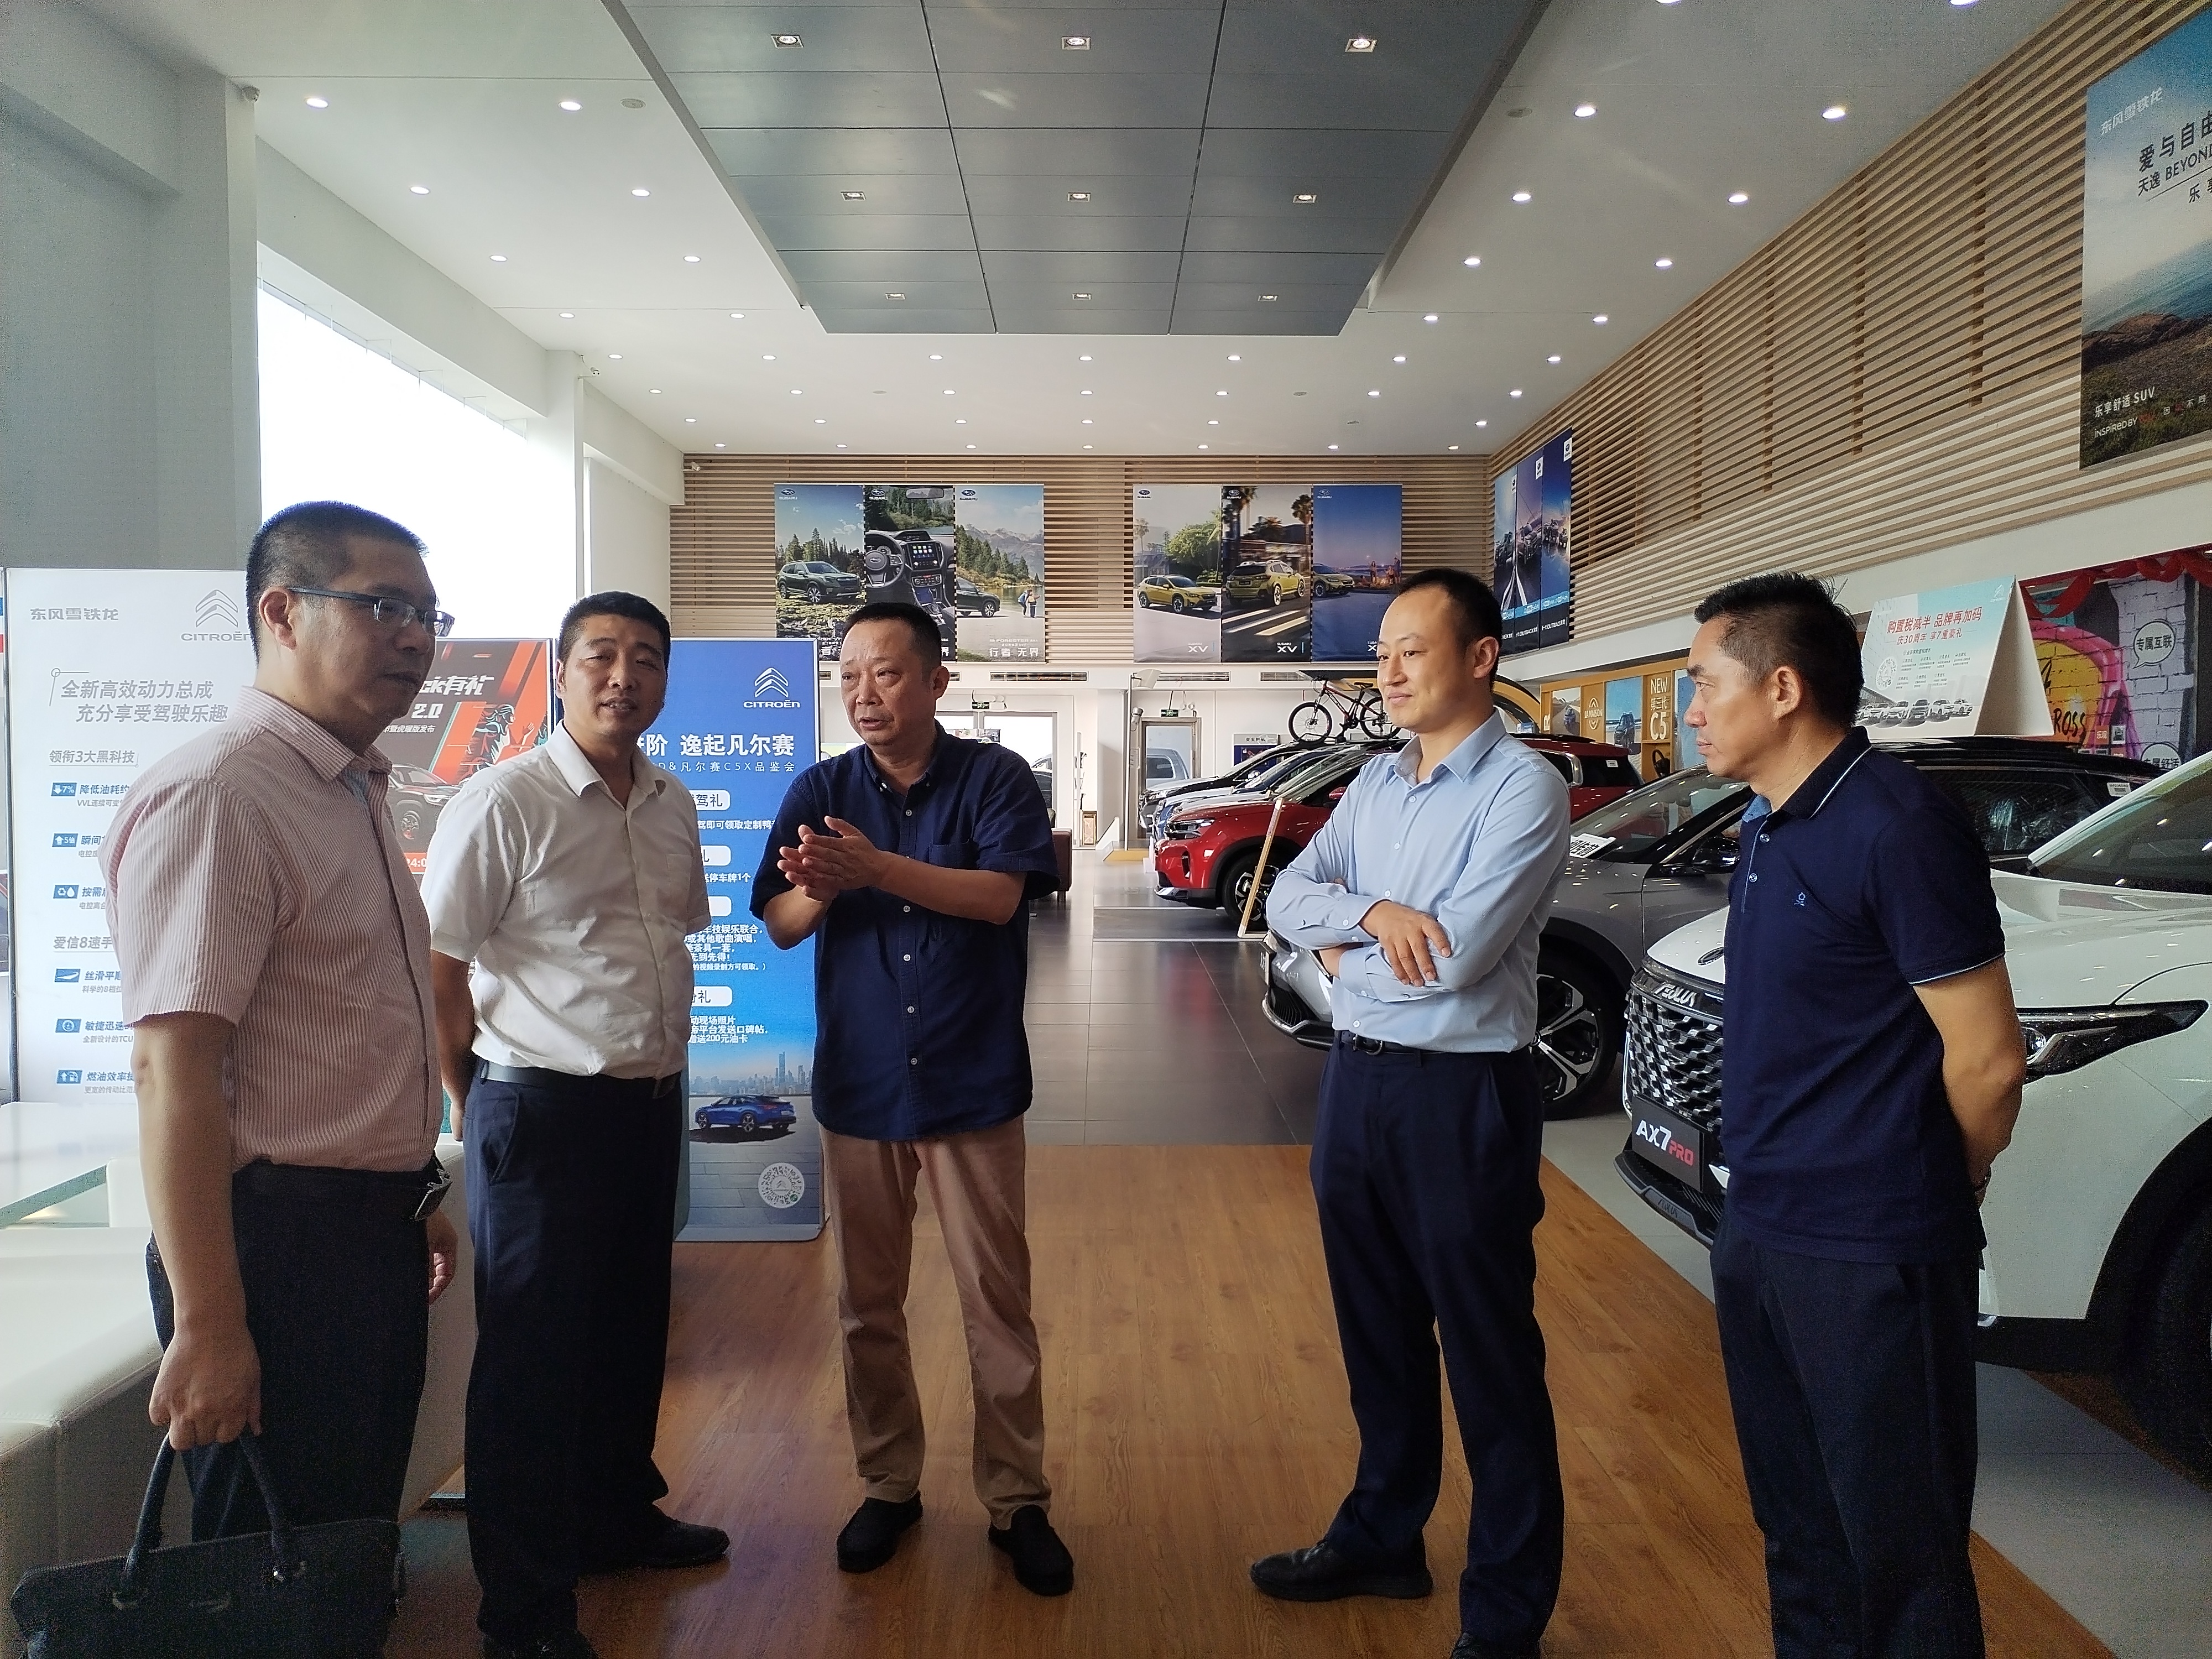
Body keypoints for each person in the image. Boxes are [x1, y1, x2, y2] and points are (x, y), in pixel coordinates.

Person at [1682, 573, 2023, 1657]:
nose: (1690, 710)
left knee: (1899, 1549)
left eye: (1704, 683)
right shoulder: (1766, 824)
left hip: (1872, 1246)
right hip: (1761, 1226)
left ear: (1781, 688)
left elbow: (1988, 1060)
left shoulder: (1897, 824)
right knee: (1799, 1528)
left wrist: (1941, 1177)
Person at [106, 500, 460, 1542]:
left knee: (347, 1545)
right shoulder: (222, 794)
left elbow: (342, 1028)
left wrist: (409, 1190)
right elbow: (172, 1073)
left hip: (361, 1233)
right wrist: (211, 1324)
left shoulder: (350, 789)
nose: (415, 639)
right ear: (281, 612)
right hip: (275, 1253)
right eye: (384, 607)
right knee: (270, 1570)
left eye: (429, 616)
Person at [1256, 568, 1569, 1659]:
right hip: (1356, 1086)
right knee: (1377, 1335)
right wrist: (1374, 916)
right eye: (1381, 653)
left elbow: (1456, 959)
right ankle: (1382, 1539)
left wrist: (1335, 958)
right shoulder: (1376, 785)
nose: (1387, 672)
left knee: (1488, 1356)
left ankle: (1506, 1614)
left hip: (1461, 1097)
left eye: (1412, 651)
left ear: (1480, 658)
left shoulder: (1523, 788)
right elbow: (1285, 895)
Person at [422, 592, 725, 1659]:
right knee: (532, 1366)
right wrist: (473, 1101)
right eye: (600, 656)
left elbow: (666, 937)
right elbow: (441, 970)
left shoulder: (671, 802)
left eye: (646, 659)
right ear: (561, 672)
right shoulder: (503, 801)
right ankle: (526, 1613)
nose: (623, 677)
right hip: (539, 1108)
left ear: (665, 680)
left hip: (649, 1101)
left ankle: (614, 1520)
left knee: (629, 1333)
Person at [754, 601, 1072, 1597]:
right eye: (849, 675)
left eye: (886, 673)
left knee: (996, 1301)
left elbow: (998, 896)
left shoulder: (995, 778)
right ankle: (889, 1484)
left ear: (936, 681)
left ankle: (1017, 1501)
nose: (864, 693)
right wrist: (824, 884)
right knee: (867, 1305)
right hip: (862, 1084)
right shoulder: (820, 789)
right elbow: (781, 922)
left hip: (972, 1078)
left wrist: (875, 867)